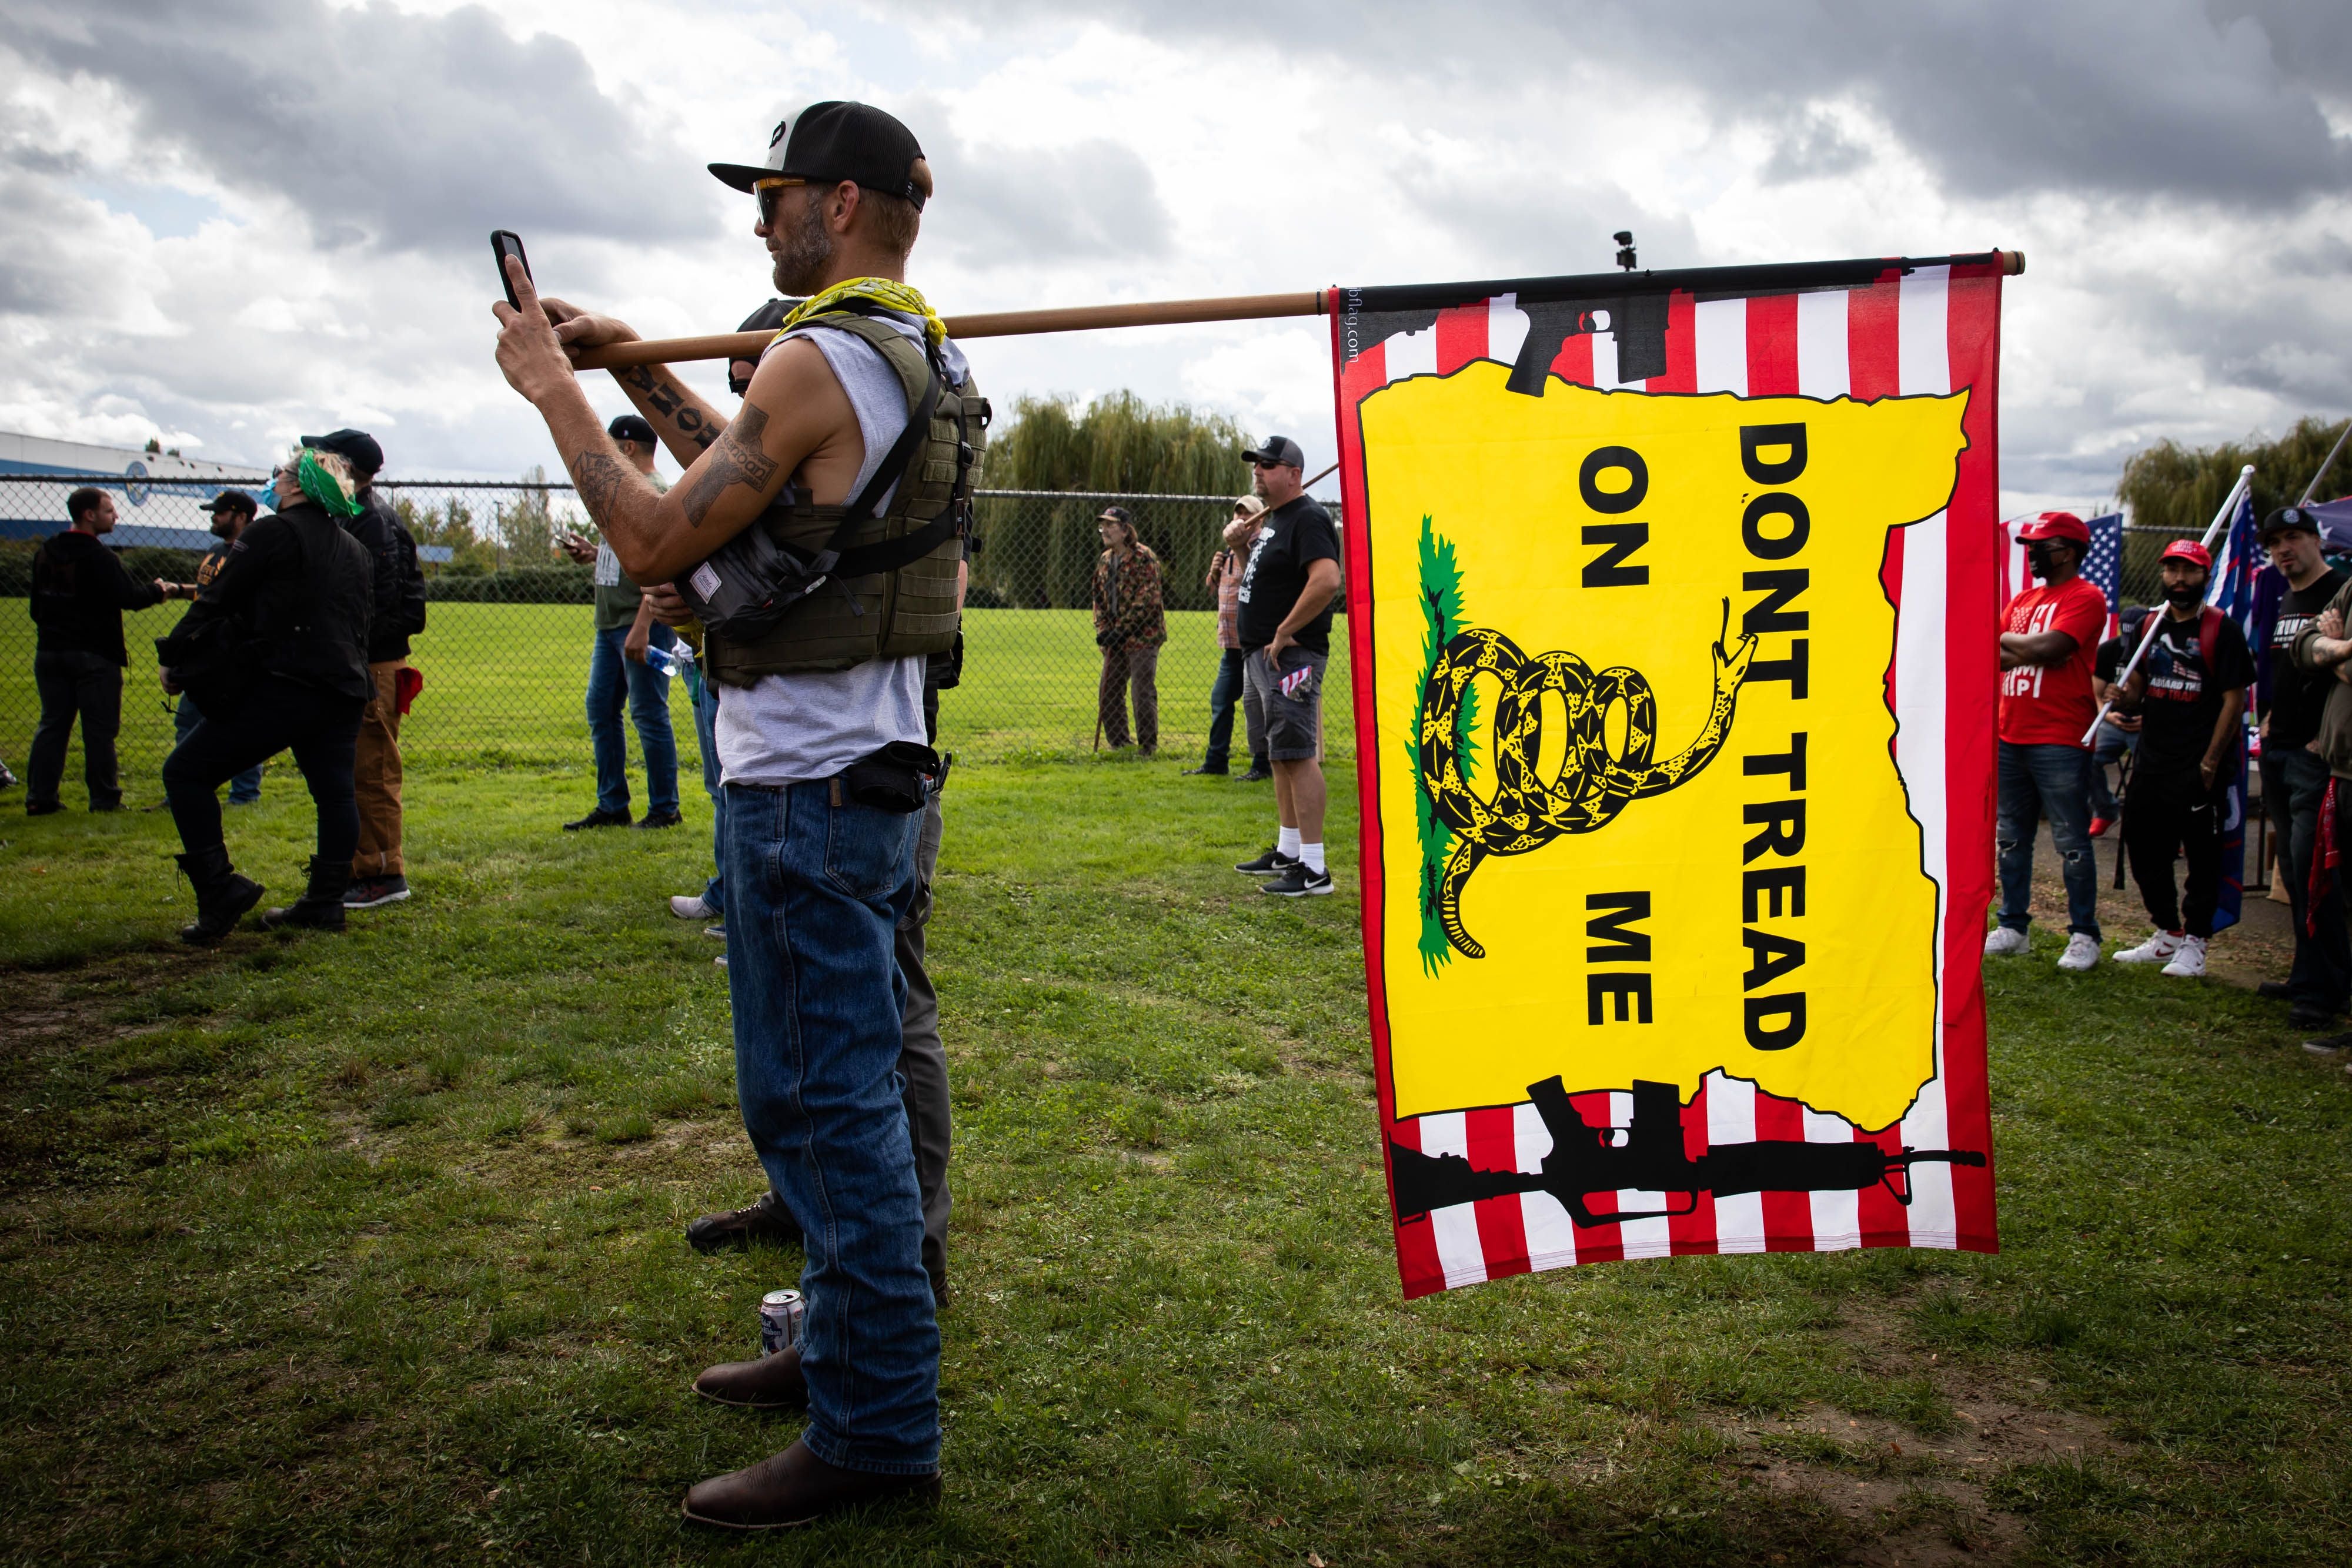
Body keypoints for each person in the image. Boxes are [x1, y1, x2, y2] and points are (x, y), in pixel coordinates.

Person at [494, 99, 970, 1526]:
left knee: (827, 1113)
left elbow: (654, 531)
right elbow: (754, 475)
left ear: (833, 199)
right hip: (855, 773)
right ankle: (839, 1343)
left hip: (806, 794)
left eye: (769, 194)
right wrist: (633, 353)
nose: (756, 217)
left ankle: (876, 1432)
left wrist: (554, 391)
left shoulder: (825, 351)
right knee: (837, 1096)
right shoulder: (907, 347)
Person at [161, 447, 375, 942]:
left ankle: (220, 890)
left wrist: (174, 654)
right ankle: (325, 902)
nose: (274, 481)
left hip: (286, 681)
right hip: (342, 685)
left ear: (298, 485)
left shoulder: (272, 532)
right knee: (335, 793)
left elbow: (219, 598)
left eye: (280, 474)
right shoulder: (355, 549)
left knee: (186, 772)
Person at [2108, 540, 2253, 978]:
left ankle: (2196, 939)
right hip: (2152, 760)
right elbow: (2138, 688)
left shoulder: (2221, 629)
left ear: (2205, 576)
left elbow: (2235, 700)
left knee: (2202, 856)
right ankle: (2167, 930)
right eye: (2172, 570)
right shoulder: (2149, 625)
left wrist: (2210, 762)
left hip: (2198, 765)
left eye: (2188, 571)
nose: (2179, 579)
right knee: (2141, 842)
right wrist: (2123, 696)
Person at [302, 429, 428, 910]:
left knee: (372, 772)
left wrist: (349, 650)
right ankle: (360, 865)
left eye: (323, 458)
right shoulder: (355, 516)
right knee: (355, 771)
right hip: (363, 662)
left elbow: (387, 603)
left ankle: (381, 873)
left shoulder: (370, 523)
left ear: (346, 468)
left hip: (373, 665)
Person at [1985, 511, 2108, 971]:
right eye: (2030, 545)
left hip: (2060, 735)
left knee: (2071, 839)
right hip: (2010, 730)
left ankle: (2084, 934)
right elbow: (1991, 652)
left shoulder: (2086, 596)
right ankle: (2014, 926)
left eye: (2043, 545)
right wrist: (2016, 643)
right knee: (2011, 837)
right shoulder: (2023, 599)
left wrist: (2011, 642)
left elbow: (2050, 649)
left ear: (2071, 551)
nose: (2033, 553)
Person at [26, 487, 187, 815]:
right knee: (99, 730)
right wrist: (159, 590)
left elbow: (35, 608)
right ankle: (103, 798)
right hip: (95, 655)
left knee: (53, 725)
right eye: (109, 510)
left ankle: (41, 798)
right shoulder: (98, 556)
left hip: (50, 652)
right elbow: (128, 597)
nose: (116, 516)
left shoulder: (46, 552)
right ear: (89, 515)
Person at [558, 413, 682, 832]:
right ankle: (613, 804)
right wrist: (596, 552)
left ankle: (665, 808)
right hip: (609, 623)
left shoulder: (655, 494)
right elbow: (634, 555)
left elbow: (664, 567)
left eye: (612, 447)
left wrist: (644, 625)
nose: (608, 457)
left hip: (640, 624)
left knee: (648, 713)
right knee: (601, 709)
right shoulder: (626, 493)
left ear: (628, 448)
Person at [2249, 508, 2348, 1028]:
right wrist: (2269, 716)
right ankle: (2304, 972)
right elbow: (2284, 666)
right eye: (2274, 543)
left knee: (2316, 876)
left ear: (2316, 539)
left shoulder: (2340, 590)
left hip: (2317, 756)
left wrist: (2320, 736)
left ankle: (2325, 990)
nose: (2284, 550)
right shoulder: (2284, 595)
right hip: (2279, 748)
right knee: (2291, 870)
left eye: (2293, 538)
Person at [1231, 436, 1341, 896]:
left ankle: (1314, 869)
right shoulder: (1276, 519)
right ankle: (1289, 849)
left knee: (1297, 753)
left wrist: (1283, 631)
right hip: (1262, 654)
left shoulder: (1309, 518)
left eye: (1269, 465)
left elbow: (1327, 580)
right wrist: (1240, 548)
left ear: (1294, 473)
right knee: (1279, 754)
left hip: (1291, 654)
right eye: (1256, 465)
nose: (1259, 471)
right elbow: (1265, 579)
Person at [164, 490, 268, 808]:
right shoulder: (215, 551)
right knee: (187, 720)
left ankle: (244, 794)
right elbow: (210, 593)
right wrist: (182, 591)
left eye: (220, 513)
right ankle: (184, 788)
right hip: (201, 649)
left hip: (230, 651)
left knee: (242, 723)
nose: (214, 517)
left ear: (241, 517)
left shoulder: (253, 551)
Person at [1183, 494, 1271, 779]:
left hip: (1255, 644)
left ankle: (1262, 763)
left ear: (1260, 520)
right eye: (1237, 515)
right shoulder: (1228, 554)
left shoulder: (1262, 550)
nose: (1240, 520)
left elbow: (1260, 587)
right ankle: (1216, 761)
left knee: (1257, 705)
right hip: (1231, 646)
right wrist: (1213, 572)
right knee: (1220, 700)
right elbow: (1213, 589)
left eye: (1247, 516)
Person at [1091, 504, 1164, 754]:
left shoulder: (1145, 558)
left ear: (1125, 530)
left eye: (1110, 525)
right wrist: (1103, 629)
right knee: (1109, 690)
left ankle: (1148, 746)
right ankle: (1120, 743)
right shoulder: (1105, 560)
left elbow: (1148, 599)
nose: (1105, 531)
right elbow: (1098, 598)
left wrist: (1122, 629)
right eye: (1103, 525)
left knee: (1141, 692)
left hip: (1143, 637)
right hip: (1114, 638)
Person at [2084, 604, 2147, 838]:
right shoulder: (2109, 651)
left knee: (2156, 767)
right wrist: (2107, 715)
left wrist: (2148, 719)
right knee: (2086, 757)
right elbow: (2097, 694)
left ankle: (2159, 825)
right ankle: (2105, 810)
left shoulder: (2159, 653)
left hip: (2146, 724)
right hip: (2112, 722)